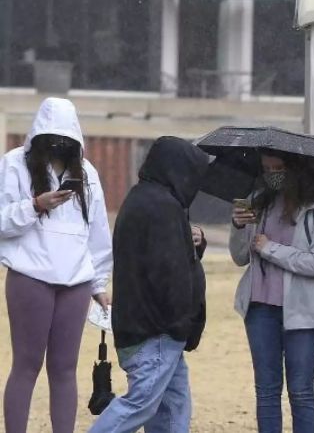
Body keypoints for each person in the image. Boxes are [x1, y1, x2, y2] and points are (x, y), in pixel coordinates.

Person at [0, 97, 112, 433]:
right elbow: (3, 220)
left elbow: (97, 231)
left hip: (75, 281)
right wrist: (34, 205)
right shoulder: (15, 164)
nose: (59, 146)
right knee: (27, 364)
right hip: (29, 275)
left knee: (65, 368)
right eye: (52, 139)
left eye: (67, 140)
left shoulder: (87, 172)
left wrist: (99, 283)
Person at [89, 136, 209, 432]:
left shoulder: (144, 199)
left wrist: (192, 240)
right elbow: (169, 275)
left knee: (173, 409)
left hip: (149, 330)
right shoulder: (162, 208)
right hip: (157, 332)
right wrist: (183, 325)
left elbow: (165, 261)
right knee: (139, 405)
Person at [230, 149, 314, 433]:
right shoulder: (258, 203)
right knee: (266, 391)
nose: (271, 175)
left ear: (294, 171)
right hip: (260, 308)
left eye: (278, 168)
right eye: (266, 168)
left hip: (303, 311)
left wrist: (271, 249)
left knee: (300, 391)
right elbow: (240, 257)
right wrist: (239, 227)